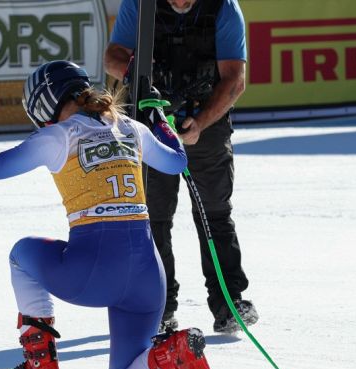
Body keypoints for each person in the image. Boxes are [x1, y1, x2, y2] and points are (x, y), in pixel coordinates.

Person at [0, 60, 216, 369]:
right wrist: (159, 121)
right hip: (147, 277)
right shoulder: (130, 126)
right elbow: (177, 162)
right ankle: (173, 352)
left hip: (93, 272)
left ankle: (42, 368)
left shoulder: (58, 135)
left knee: (22, 255)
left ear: (43, 104)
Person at [104, 0, 258, 334]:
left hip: (207, 118)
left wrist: (199, 123)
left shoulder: (223, 8)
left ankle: (228, 303)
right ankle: (158, 307)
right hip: (150, 120)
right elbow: (113, 56)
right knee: (154, 216)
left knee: (214, 212)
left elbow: (234, 80)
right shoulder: (140, 5)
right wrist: (139, 74)